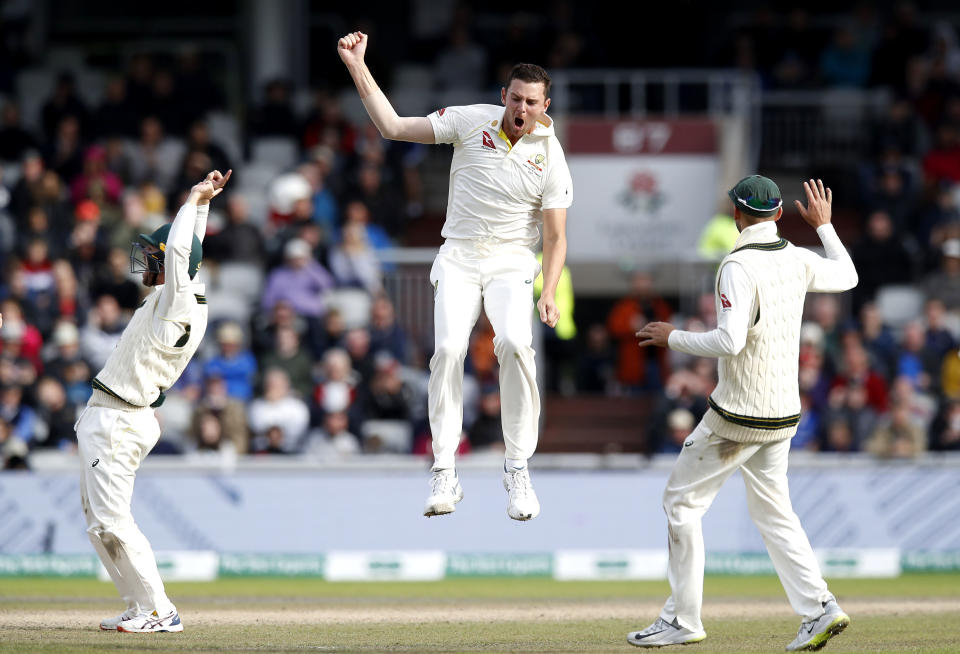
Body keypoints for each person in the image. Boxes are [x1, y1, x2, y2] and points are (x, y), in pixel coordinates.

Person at [338, 31, 572, 521]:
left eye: (532, 101)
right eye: (514, 98)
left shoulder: (551, 154)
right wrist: (358, 65)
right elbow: (393, 127)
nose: (521, 108)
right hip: (460, 254)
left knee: (513, 343)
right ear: (502, 96)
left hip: (511, 257)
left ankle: (517, 467)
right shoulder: (470, 120)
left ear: (544, 104)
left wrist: (549, 291)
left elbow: (554, 238)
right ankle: (444, 466)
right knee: (447, 350)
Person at [630, 177, 857, 650]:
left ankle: (682, 619)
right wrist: (826, 227)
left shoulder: (737, 264)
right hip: (783, 415)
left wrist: (674, 337)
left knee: (680, 504)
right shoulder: (795, 255)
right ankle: (819, 608)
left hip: (738, 415)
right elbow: (847, 276)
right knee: (774, 512)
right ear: (777, 215)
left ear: (737, 215)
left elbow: (729, 341)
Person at [74, 168, 231, 634]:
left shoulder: (181, 302)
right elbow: (188, 249)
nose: (144, 260)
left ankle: (161, 611)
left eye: (152, 254)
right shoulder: (171, 296)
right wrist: (201, 208)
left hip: (121, 419)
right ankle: (139, 604)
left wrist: (191, 197)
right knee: (99, 523)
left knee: (113, 520)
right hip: (111, 414)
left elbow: (183, 251)